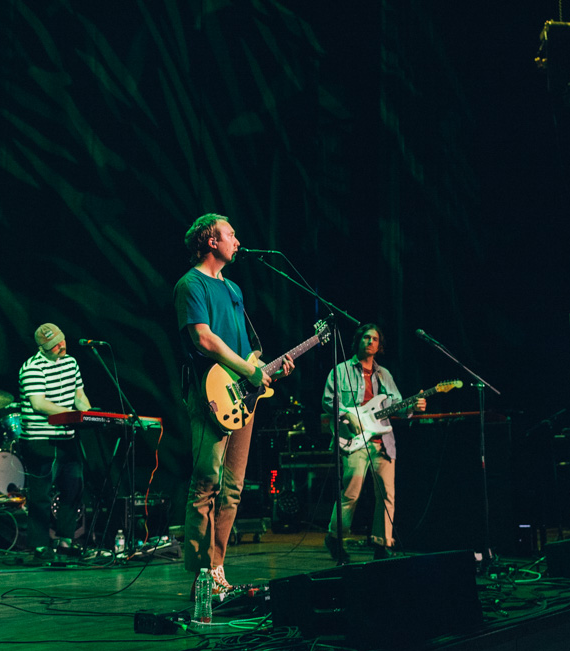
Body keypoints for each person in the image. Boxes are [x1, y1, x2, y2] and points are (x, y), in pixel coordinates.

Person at [174, 213, 294, 595]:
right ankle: (200, 574)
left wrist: (265, 368)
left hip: (242, 396)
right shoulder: (190, 284)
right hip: (209, 392)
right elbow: (203, 340)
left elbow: (249, 347)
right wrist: (248, 369)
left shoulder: (234, 289)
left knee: (233, 487)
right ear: (211, 241)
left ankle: (217, 566)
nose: (238, 240)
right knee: (206, 480)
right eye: (231, 234)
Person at [321, 323, 425, 563]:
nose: (370, 342)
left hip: (383, 443)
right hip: (354, 441)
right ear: (357, 341)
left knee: (388, 495)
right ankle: (335, 538)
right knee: (351, 493)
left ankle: (383, 544)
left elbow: (397, 406)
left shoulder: (384, 374)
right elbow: (328, 401)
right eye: (366, 337)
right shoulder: (341, 370)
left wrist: (413, 405)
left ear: (380, 345)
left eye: (375, 339)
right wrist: (348, 415)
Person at [18, 322, 92, 560]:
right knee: (40, 493)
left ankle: (66, 540)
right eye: (53, 345)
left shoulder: (71, 362)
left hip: (66, 435)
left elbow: (78, 395)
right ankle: (40, 545)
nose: (60, 346)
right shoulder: (32, 368)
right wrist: (71, 416)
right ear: (42, 347)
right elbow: (39, 404)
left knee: (72, 488)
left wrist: (89, 414)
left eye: (61, 340)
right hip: (40, 438)